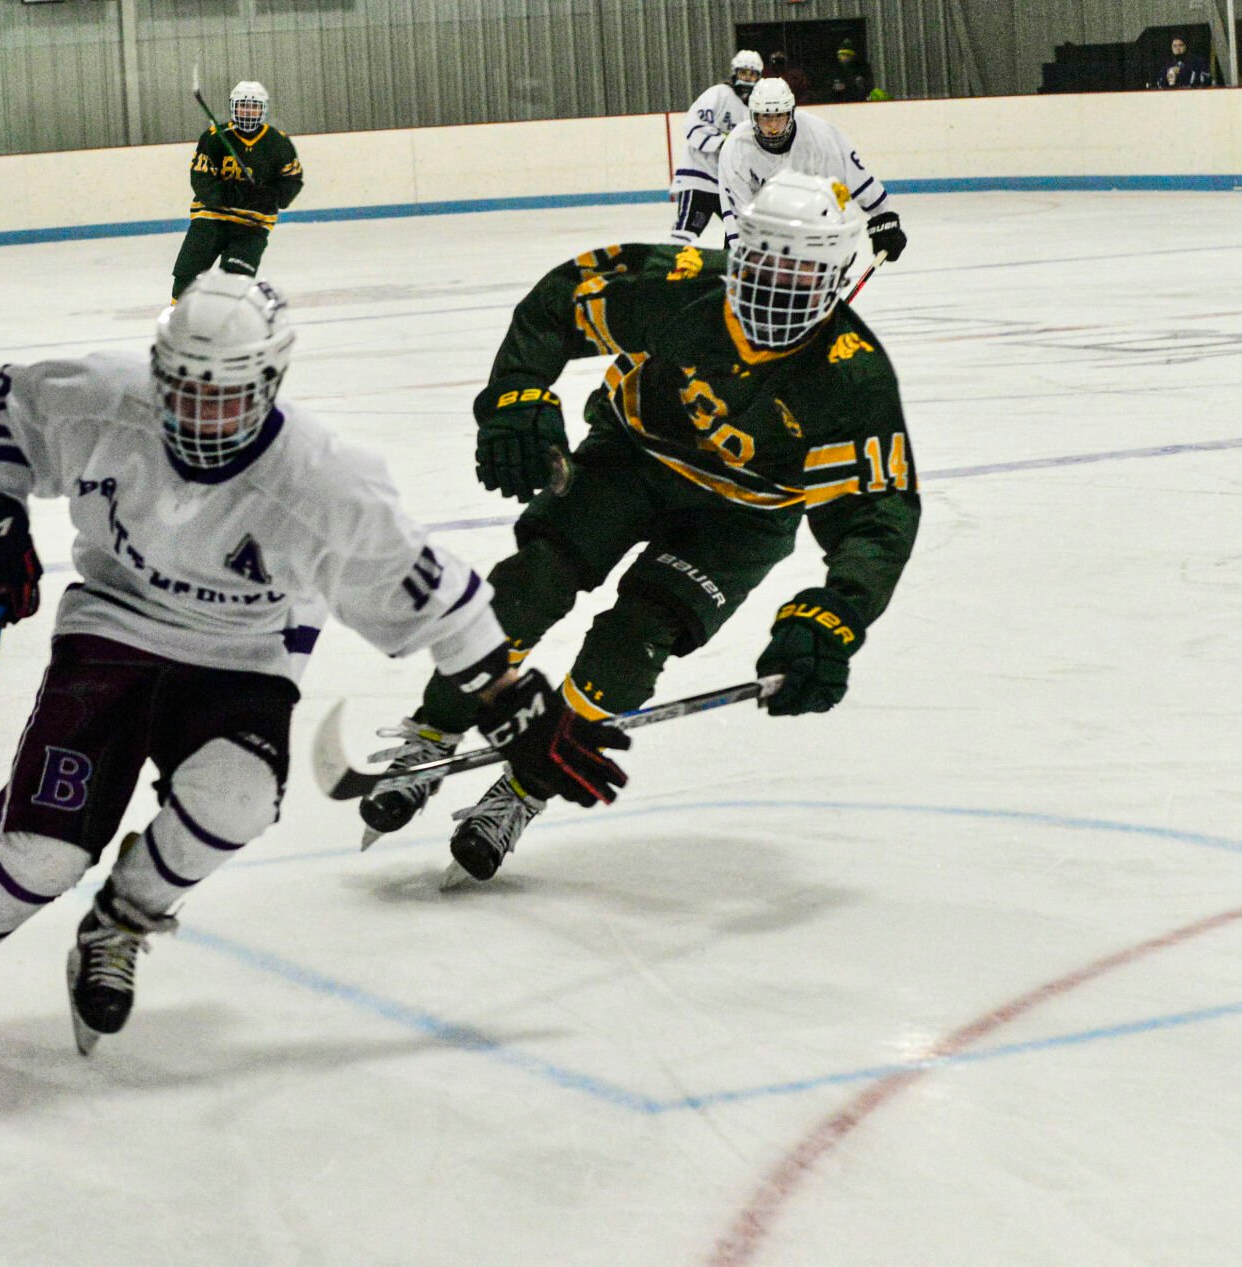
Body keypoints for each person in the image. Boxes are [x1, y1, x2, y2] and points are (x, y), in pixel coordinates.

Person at [0, 270, 628, 1061]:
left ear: (269, 381)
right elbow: (7, 402)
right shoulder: (105, 398)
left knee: (238, 801)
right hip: (113, 628)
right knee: (41, 853)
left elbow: (432, 595)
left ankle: (120, 918)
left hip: (244, 653)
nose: (196, 412)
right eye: (181, 387)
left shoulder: (324, 481)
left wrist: (511, 700)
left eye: (222, 394)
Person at [357, 172, 921, 887]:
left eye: (799, 267)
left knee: (631, 643)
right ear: (736, 247)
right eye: (763, 257)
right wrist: (516, 395)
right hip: (630, 459)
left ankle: (523, 789)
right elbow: (560, 298)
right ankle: (432, 732)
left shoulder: (850, 377)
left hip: (739, 521)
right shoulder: (682, 285)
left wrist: (834, 616)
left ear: (838, 276)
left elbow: (877, 514)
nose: (775, 284)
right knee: (527, 589)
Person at [717, 78, 907, 265]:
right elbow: (737, 216)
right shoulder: (736, 148)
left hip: (810, 222)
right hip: (762, 222)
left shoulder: (820, 136)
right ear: (753, 117)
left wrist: (883, 218)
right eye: (765, 117)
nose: (773, 127)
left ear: (791, 114)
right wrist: (745, 262)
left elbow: (855, 175)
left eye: (779, 117)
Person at [170, 82, 304, 301]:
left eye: (253, 107)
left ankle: (222, 327)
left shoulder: (278, 142)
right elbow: (201, 180)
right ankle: (180, 319)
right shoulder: (214, 137)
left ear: (263, 109)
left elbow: (291, 181)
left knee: (234, 284)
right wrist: (235, 194)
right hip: (211, 218)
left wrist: (271, 196)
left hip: (253, 224)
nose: (247, 111)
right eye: (243, 106)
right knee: (187, 275)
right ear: (234, 107)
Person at [669, 50, 763, 246]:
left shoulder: (754, 107)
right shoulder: (718, 94)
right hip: (700, 177)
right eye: (743, 72)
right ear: (735, 73)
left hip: (729, 184)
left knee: (740, 233)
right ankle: (672, 271)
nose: (747, 78)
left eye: (752, 74)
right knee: (685, 234)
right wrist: (725, 142)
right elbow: (694, 126)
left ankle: (730, 270)